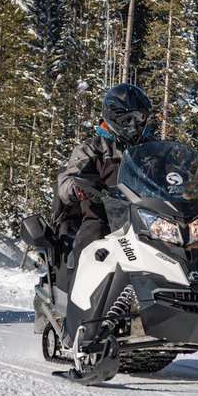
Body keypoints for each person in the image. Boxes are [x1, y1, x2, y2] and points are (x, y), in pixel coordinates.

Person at [57, 83, 153, 263]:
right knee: (88, 250)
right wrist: (82, 187)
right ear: (112, 118)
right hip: (103, 219)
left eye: (139, 117)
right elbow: (65, 184)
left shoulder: (152, 150)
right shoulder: (91, 150)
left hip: (148, 221)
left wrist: (196, 187)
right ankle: (76, 289)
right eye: (128, 119)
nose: (135, 125)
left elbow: (173, 175)